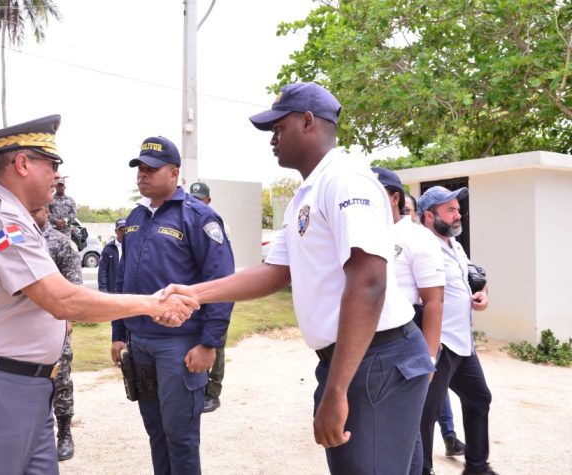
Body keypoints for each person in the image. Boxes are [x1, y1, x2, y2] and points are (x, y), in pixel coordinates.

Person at [162, 82, 433, 474]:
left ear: (308, 122)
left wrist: (337, 390)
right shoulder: (307, 193)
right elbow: (276, 272)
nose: (272, 138)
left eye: (278, 127)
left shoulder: (345, 180)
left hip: (375, 360)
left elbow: (369, 281)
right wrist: (195, 293)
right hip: (356, 357)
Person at [0, 115, 198, 475]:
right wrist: (151, 304)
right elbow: (61, 299)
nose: (57, 176)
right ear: (23, 163)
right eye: (52, 164)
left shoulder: (19, 219)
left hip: (26, 385)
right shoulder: (0, 222)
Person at [110, 136, 235, 474]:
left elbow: (222, 283)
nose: (142, 175)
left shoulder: (197, 217)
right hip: (139, 343)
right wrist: (118, 331)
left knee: (180, 436)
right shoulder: (134, 218)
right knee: (156, 431)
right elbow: (124, 279)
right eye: (139, 168)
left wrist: (210, 343)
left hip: (179, 345)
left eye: (151, 169)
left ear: (174, 172)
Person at [417, 185, 496, 475]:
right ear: (428, 215)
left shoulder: (456, 245)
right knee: (426, 415)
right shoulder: (422, 247)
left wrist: (482, 294)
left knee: (479, 398)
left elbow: (476, 278)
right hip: (438, 345)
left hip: (462, 344)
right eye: (449, 210)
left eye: (457, 209)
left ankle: (476, 467)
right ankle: (422, 470)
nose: (457, 215)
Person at [372, 167, 445, 474]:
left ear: (394, 198)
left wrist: (428, 356)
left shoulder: (417, 237)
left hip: (408, 330)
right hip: (372, 334)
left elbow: (434, 301)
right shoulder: (365, 233)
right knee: (385, 423)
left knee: (405, 423)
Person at [30, 203, 81, 462]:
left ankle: (64, 433)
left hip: (55, 323)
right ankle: (34, 433)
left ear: (46, 212)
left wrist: (68, 318)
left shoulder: (61, 243)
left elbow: (74, 286)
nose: (30, 215)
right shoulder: (16, 238)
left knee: (60, 380)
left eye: (35, 211)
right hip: (23, 328)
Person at [189, 181, 230, 413]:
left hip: (215, 294)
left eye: (200, 199)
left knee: (216, 342)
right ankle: (198, 387)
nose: (196, 203)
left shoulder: (214, 224)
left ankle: (213, 393)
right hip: (195, 295)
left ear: (208, 200)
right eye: (192, 198)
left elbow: (221, 268)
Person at [98, 217, 126, 293]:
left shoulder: (132, 247)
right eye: (121, 230)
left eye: (125, 230)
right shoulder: (108, 248)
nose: (124, 233)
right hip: (113, 291)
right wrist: (103, 291)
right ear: (116, 231)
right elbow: (102, 271)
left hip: (128, 292)